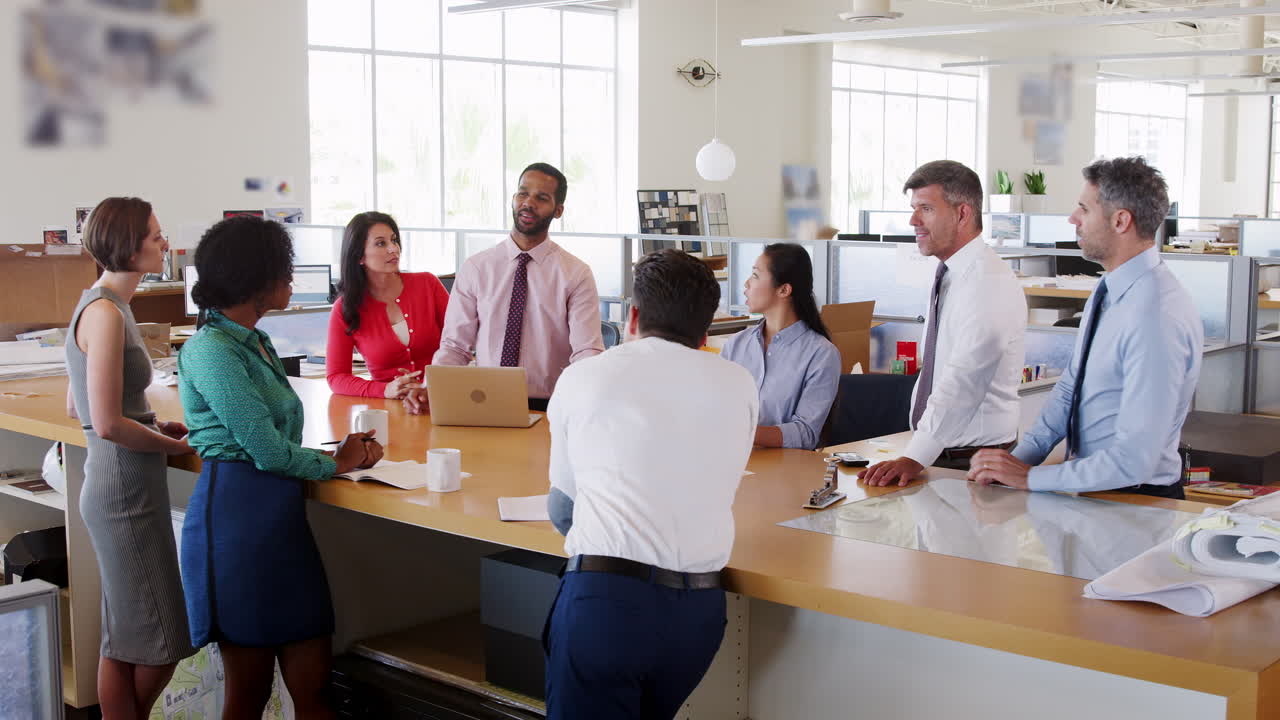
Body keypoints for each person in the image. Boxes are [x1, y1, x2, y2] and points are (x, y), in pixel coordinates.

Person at [178, 215, 383, 718]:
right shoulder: (211, 350)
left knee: (314, 688)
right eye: (284, 270)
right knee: (247, 696)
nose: (293, 279)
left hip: (279, 522)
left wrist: (338, 456)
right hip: (237, 526)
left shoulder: (256, 341)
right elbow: (266, 450)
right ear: (253, 279)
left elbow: (275, 436)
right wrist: (336, 463)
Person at [543, 249, 758, 720]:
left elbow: (562, 508)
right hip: (699, 615)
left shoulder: (583, 376)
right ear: (708, 329)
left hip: (607, 605)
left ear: (633, 315)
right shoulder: (739, 383)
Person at [970, 157, 1203, 498]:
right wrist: (1013, 464)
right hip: (1093, 491)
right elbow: (1071, 388)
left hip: (1135, 501)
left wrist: (1030, 478)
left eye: (1084, 208)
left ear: (1121, 220)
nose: (1072, 219)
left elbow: (1134, 460)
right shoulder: (1108, 289)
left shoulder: (1155, 316)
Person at [64, 197, 195, 719]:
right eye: (156, 236)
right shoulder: (105, 313)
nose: (165, 244)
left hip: (123, 484)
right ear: (128, 243)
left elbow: (80, 402)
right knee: (163, 639)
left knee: (123, 638)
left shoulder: (103, 304)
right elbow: (106, 423)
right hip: (123, 494)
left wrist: (153, 424)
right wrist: (177, 446)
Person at [861, 160, 1026, 487]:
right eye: (913, 208)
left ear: (963, 214)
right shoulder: (951, 275)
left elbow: (965, 379)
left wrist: (915, 456)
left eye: (926, 208)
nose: (913, 221)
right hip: (943, 454)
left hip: (972, 462)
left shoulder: (986, 283)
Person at [425, 162, 603, 412]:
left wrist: (589, 400)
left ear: (558, 210)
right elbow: (455, 346)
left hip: (551, 406)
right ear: (513, 199)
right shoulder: (477, 267)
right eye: (523, 193)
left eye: (542, 197)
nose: (528, 202)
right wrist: (431, 390)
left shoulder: (575, 274)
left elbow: (587, 352)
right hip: (482, 401)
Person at [720, 243, 840, 450]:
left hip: (785, 471)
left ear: (784, 289)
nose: (746, 284)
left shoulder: (821, 354)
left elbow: (805, 434)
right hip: (732, 460)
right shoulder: (735, 345)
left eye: (755, 275)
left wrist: (741, 430)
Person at [326, 211, 449, 402]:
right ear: (359, 256)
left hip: (440, 398)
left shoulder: (427, 284)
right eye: (381, 243)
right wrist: (384, 390)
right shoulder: (345, 308)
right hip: (389, 409)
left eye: (394, 240)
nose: (393, 249)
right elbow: (336, 377)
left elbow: (458, 341)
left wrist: (428, 386)